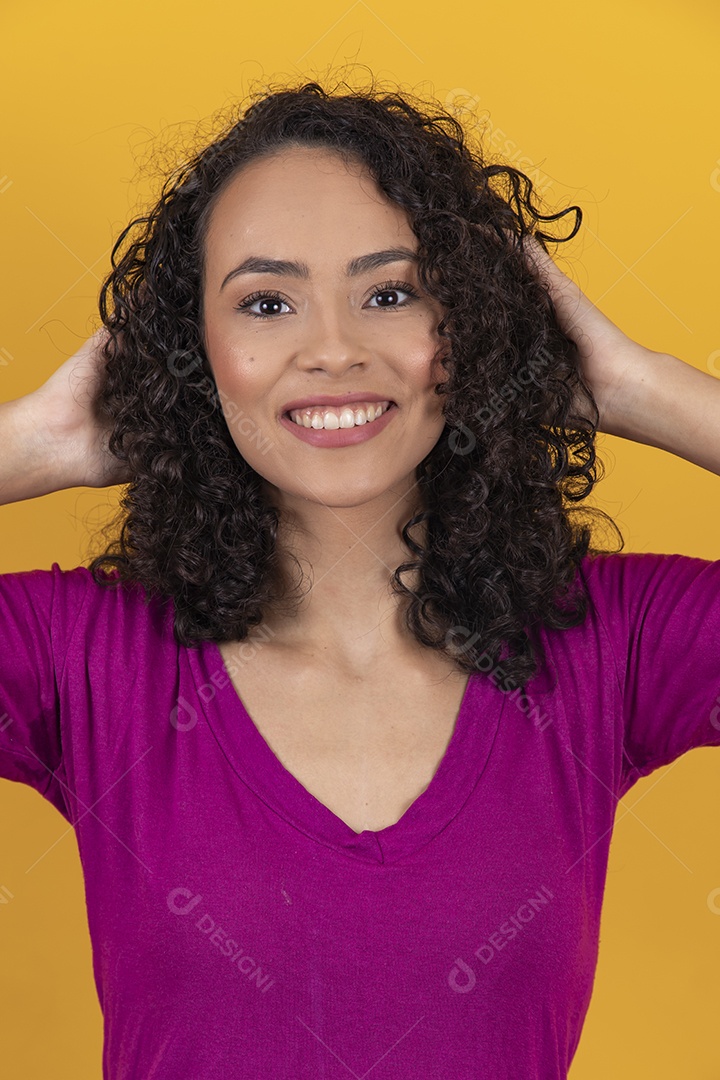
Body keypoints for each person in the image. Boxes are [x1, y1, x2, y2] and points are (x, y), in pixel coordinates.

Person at [1, 78, 719, 1079]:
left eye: (389, 294)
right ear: (195, 352)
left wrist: (640, 386)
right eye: (266, 303)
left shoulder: (611, 640)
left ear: (467, 324)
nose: (333, 350)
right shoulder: (79, 655)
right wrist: (30, 446)